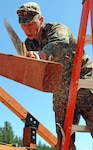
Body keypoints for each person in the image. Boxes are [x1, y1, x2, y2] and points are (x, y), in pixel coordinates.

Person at [16, 2, 93, 150]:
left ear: (41, 20)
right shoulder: (29, 44)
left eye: (31, 24)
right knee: (63, 136)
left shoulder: (57, 29)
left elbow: (60, 45)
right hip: (61, 85)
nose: (27, 29)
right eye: (23, 26)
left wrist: (40, 55)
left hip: (83, 76)